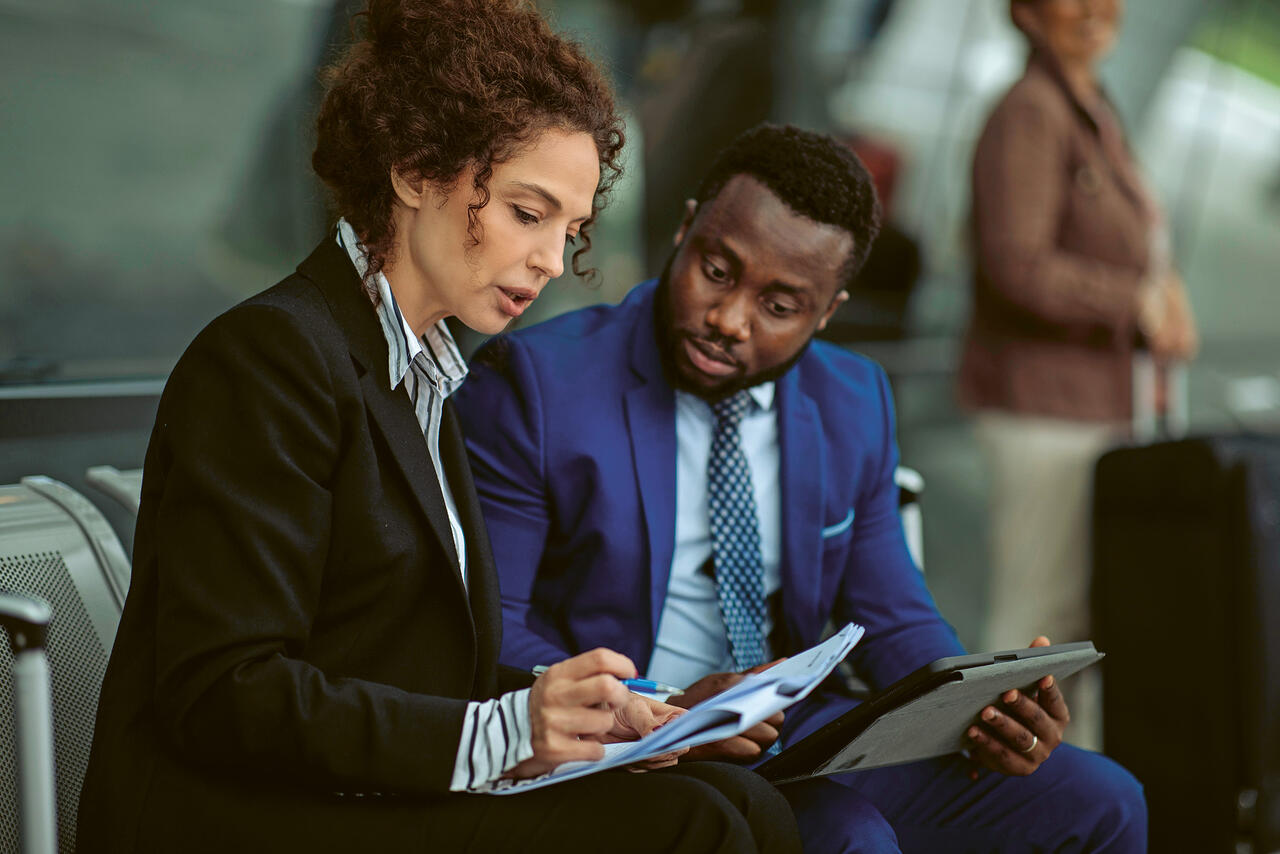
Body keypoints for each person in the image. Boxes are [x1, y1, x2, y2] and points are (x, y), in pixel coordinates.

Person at [74, 3, 803, 852]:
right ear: (418, 171)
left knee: (738, 800)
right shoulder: (269, 357)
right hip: (245, 815)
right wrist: (507, 734)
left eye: (571, 231)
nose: (552, 262)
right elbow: (223, 692)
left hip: (356, 792)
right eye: (528, 214)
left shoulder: (420, 372)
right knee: (694, 823)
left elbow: (421, 662)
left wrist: (631, 713)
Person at [455, 123, 1147, 854]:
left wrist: (977, 710)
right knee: (851, 839)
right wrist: (662, 708)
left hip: (791, 735)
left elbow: (894, 617)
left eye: (779, 307)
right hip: (626, 746)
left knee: (1104, 803)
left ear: (827, 312)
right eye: (717, 271)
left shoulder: (854, 399)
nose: (728, 319)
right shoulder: (537, 383)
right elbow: (488, 628)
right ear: (686, 230)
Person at [958, 0, 1198, 749]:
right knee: (1035, 627)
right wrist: (1135, 301)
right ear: (1026, 11)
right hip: (1046, 413)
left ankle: (1072, 803)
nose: (1096, 8)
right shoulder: (1030, 111)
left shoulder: (1091, 108)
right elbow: (1015, 265)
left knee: (1072, 632)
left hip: (1094, 411)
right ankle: (989, 802)